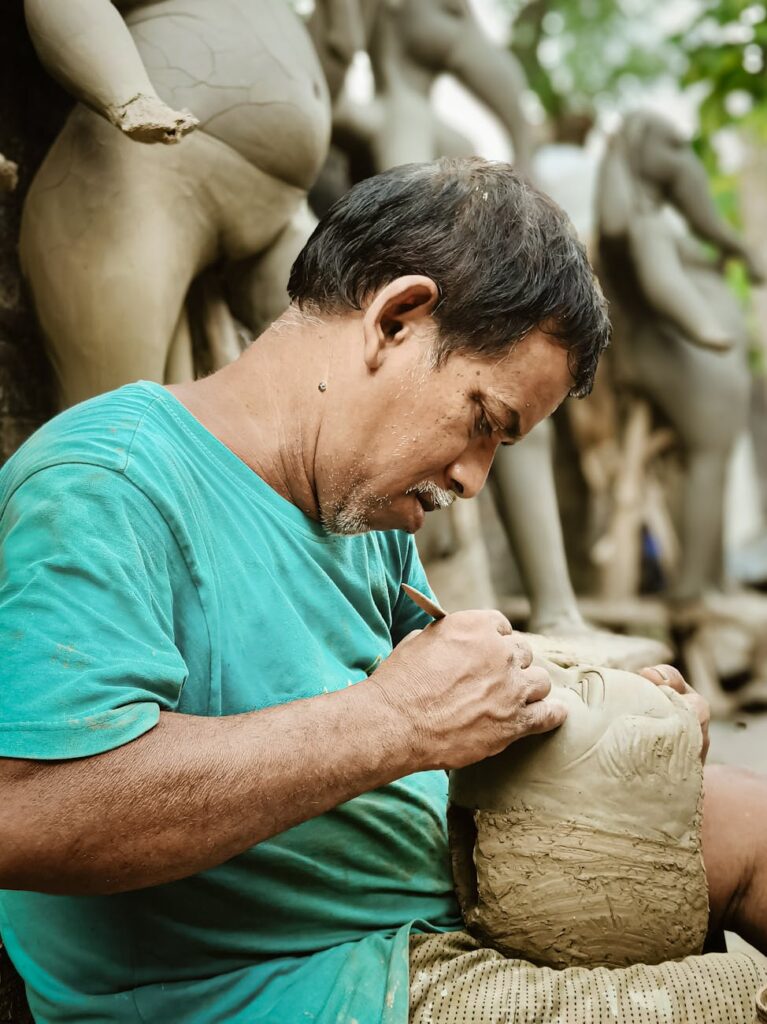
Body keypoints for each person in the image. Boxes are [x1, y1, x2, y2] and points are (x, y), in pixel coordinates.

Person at [0, 157, 757, 1023]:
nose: (472, 479)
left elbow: (457, 709)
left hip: (435, 899)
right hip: (291, 982)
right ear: (396, 319)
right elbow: (24, 811)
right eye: (483, 422)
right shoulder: (109, 484)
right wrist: (394, 723)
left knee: (747, 818)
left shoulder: (361, 506)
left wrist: (621, 724)